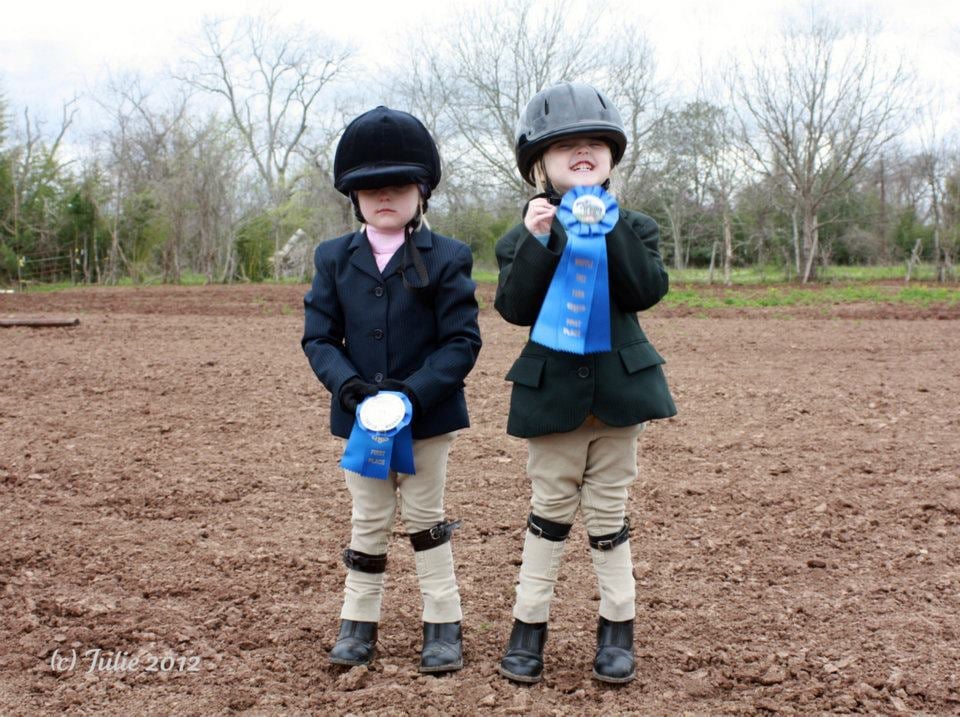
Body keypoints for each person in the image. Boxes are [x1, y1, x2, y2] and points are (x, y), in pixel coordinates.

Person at [493, 82, 677, 685]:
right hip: (552, 399)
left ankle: (617, 629)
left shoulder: (639, 226)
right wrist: (538, 240)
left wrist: (611, 224)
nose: (581, 152)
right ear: (537, 167)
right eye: (564, 146)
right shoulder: (519, 238)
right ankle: (529, 628)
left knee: (609, 513)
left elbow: (645, 290)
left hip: (621, 397)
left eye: (594, 144)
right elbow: (515, 309)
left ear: (611, 158)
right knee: (547, 512)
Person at [302, 106, 481, 673]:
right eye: (370, 188)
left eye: (399, 186)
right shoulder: (332, 258)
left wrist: (412, 393)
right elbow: (318, 338)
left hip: (426, 420)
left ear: (421, 191)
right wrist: (350, 388)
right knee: (368, 521)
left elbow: (461, 342)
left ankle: (442, 625)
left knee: (427, 519)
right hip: (360, 422)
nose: (385, 196)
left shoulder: (448, 255)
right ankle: (358, 624)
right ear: (352, 196)